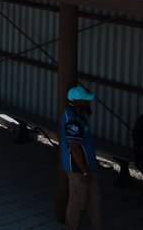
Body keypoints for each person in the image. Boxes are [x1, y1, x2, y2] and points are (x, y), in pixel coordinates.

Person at [60, 85, 103, 230]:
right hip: (79, 170)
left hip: (89, 168)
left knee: (95, 202)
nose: (88, 103)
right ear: (77, 101)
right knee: (76, 204)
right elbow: (75, 148)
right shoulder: (72, 120)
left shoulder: (79, 115)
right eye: (85, 100)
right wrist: (84, 171)